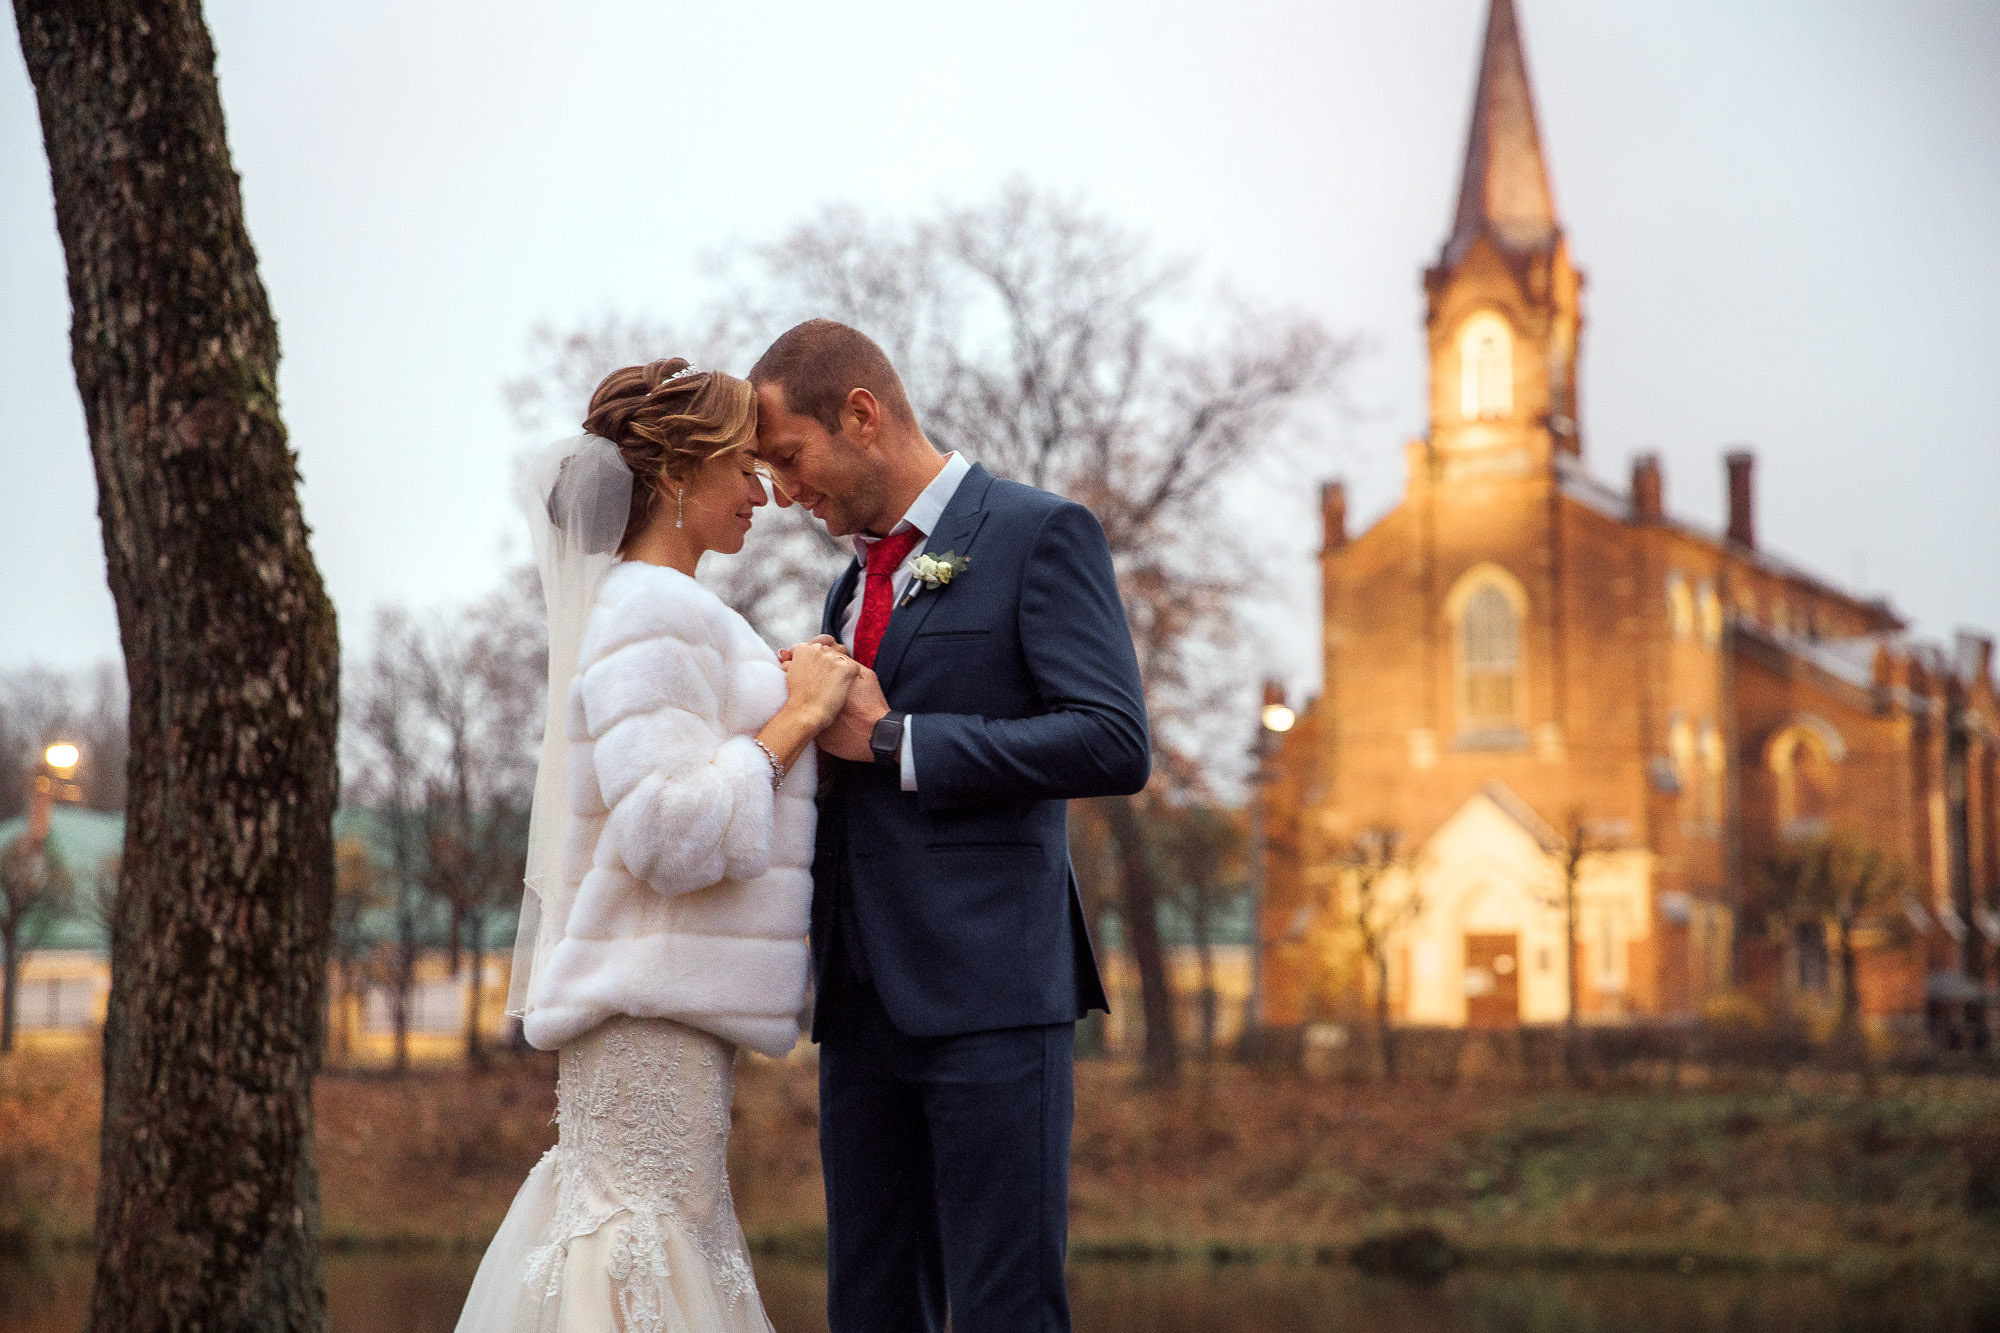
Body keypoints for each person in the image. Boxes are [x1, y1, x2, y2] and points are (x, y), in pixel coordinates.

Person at [749, 319, 1150, 1333]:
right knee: (869, 1308)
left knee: (1003, 1308)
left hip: (989, 995)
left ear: (860, 415)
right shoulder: (848, 585)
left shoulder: (1038, 533)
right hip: (857, 1003)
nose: (784, 494)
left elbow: (1110, 739)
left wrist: (898, 742)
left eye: (790, 461)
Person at [455, 358, 857, 1333]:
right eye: (741, 467)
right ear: (676, 474)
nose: (761, 492)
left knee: (646, 1248)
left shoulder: (662, 608)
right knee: (636, 1256)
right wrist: (793, 722)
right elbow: (668, 832)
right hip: (647, 1016)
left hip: (661, 1016)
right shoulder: (654, 611)